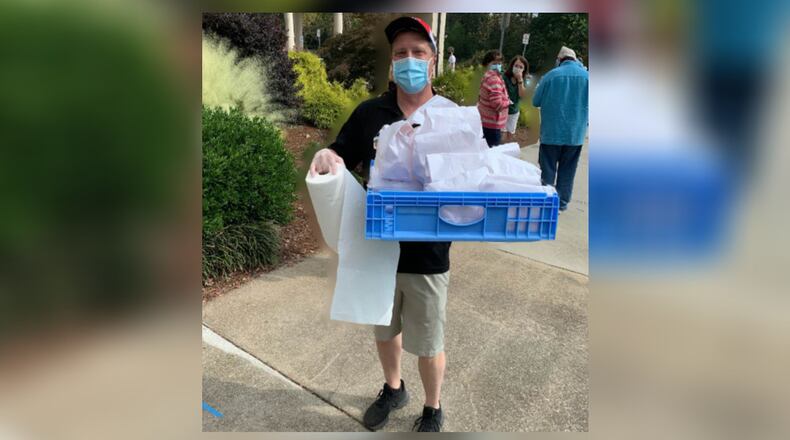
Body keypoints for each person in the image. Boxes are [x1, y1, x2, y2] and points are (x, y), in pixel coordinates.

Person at [309, 16, 449, 432]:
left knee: (429, 341)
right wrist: (327, 155)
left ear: (433, 60)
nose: (409, 60)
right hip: (378, 247)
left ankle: (433, 407)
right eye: (401, 53)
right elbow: (340, 152)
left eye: (418, 52)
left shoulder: (450, 117)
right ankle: (393, 387)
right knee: (385, 328)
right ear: (391, 62)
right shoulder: (371, 113)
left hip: (429, 252)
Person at [532, 46, 589, 212]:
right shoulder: (587, 77)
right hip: (575, 134)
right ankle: (562, 203)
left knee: (547, 168)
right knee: (568, 170)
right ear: (575, 59)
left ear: (560, 59)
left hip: (551, 132)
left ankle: (546, 200)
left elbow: (535, 101)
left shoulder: (550, 76)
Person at [477, 50, 510, 147]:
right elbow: (497, 104)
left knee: (485, 148)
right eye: (494, 63)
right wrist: (507, 102)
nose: (497, 66)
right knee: (492, 151)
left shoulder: (487, 76)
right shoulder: (494, 80)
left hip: (485, 120)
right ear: (487, 64)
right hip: (492, 123)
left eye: (499, 63)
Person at [501, 55, 528, 142]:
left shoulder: (523, 80)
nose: (518, 68)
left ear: (524, 70)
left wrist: (520, 80)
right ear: (512, 65)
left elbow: (522, 95)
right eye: (516, 66)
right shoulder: (505, 77)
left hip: (514, 112)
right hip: (502, 110)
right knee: (502, 135)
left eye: (521, 67)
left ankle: (507, 148)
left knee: (510, 135)